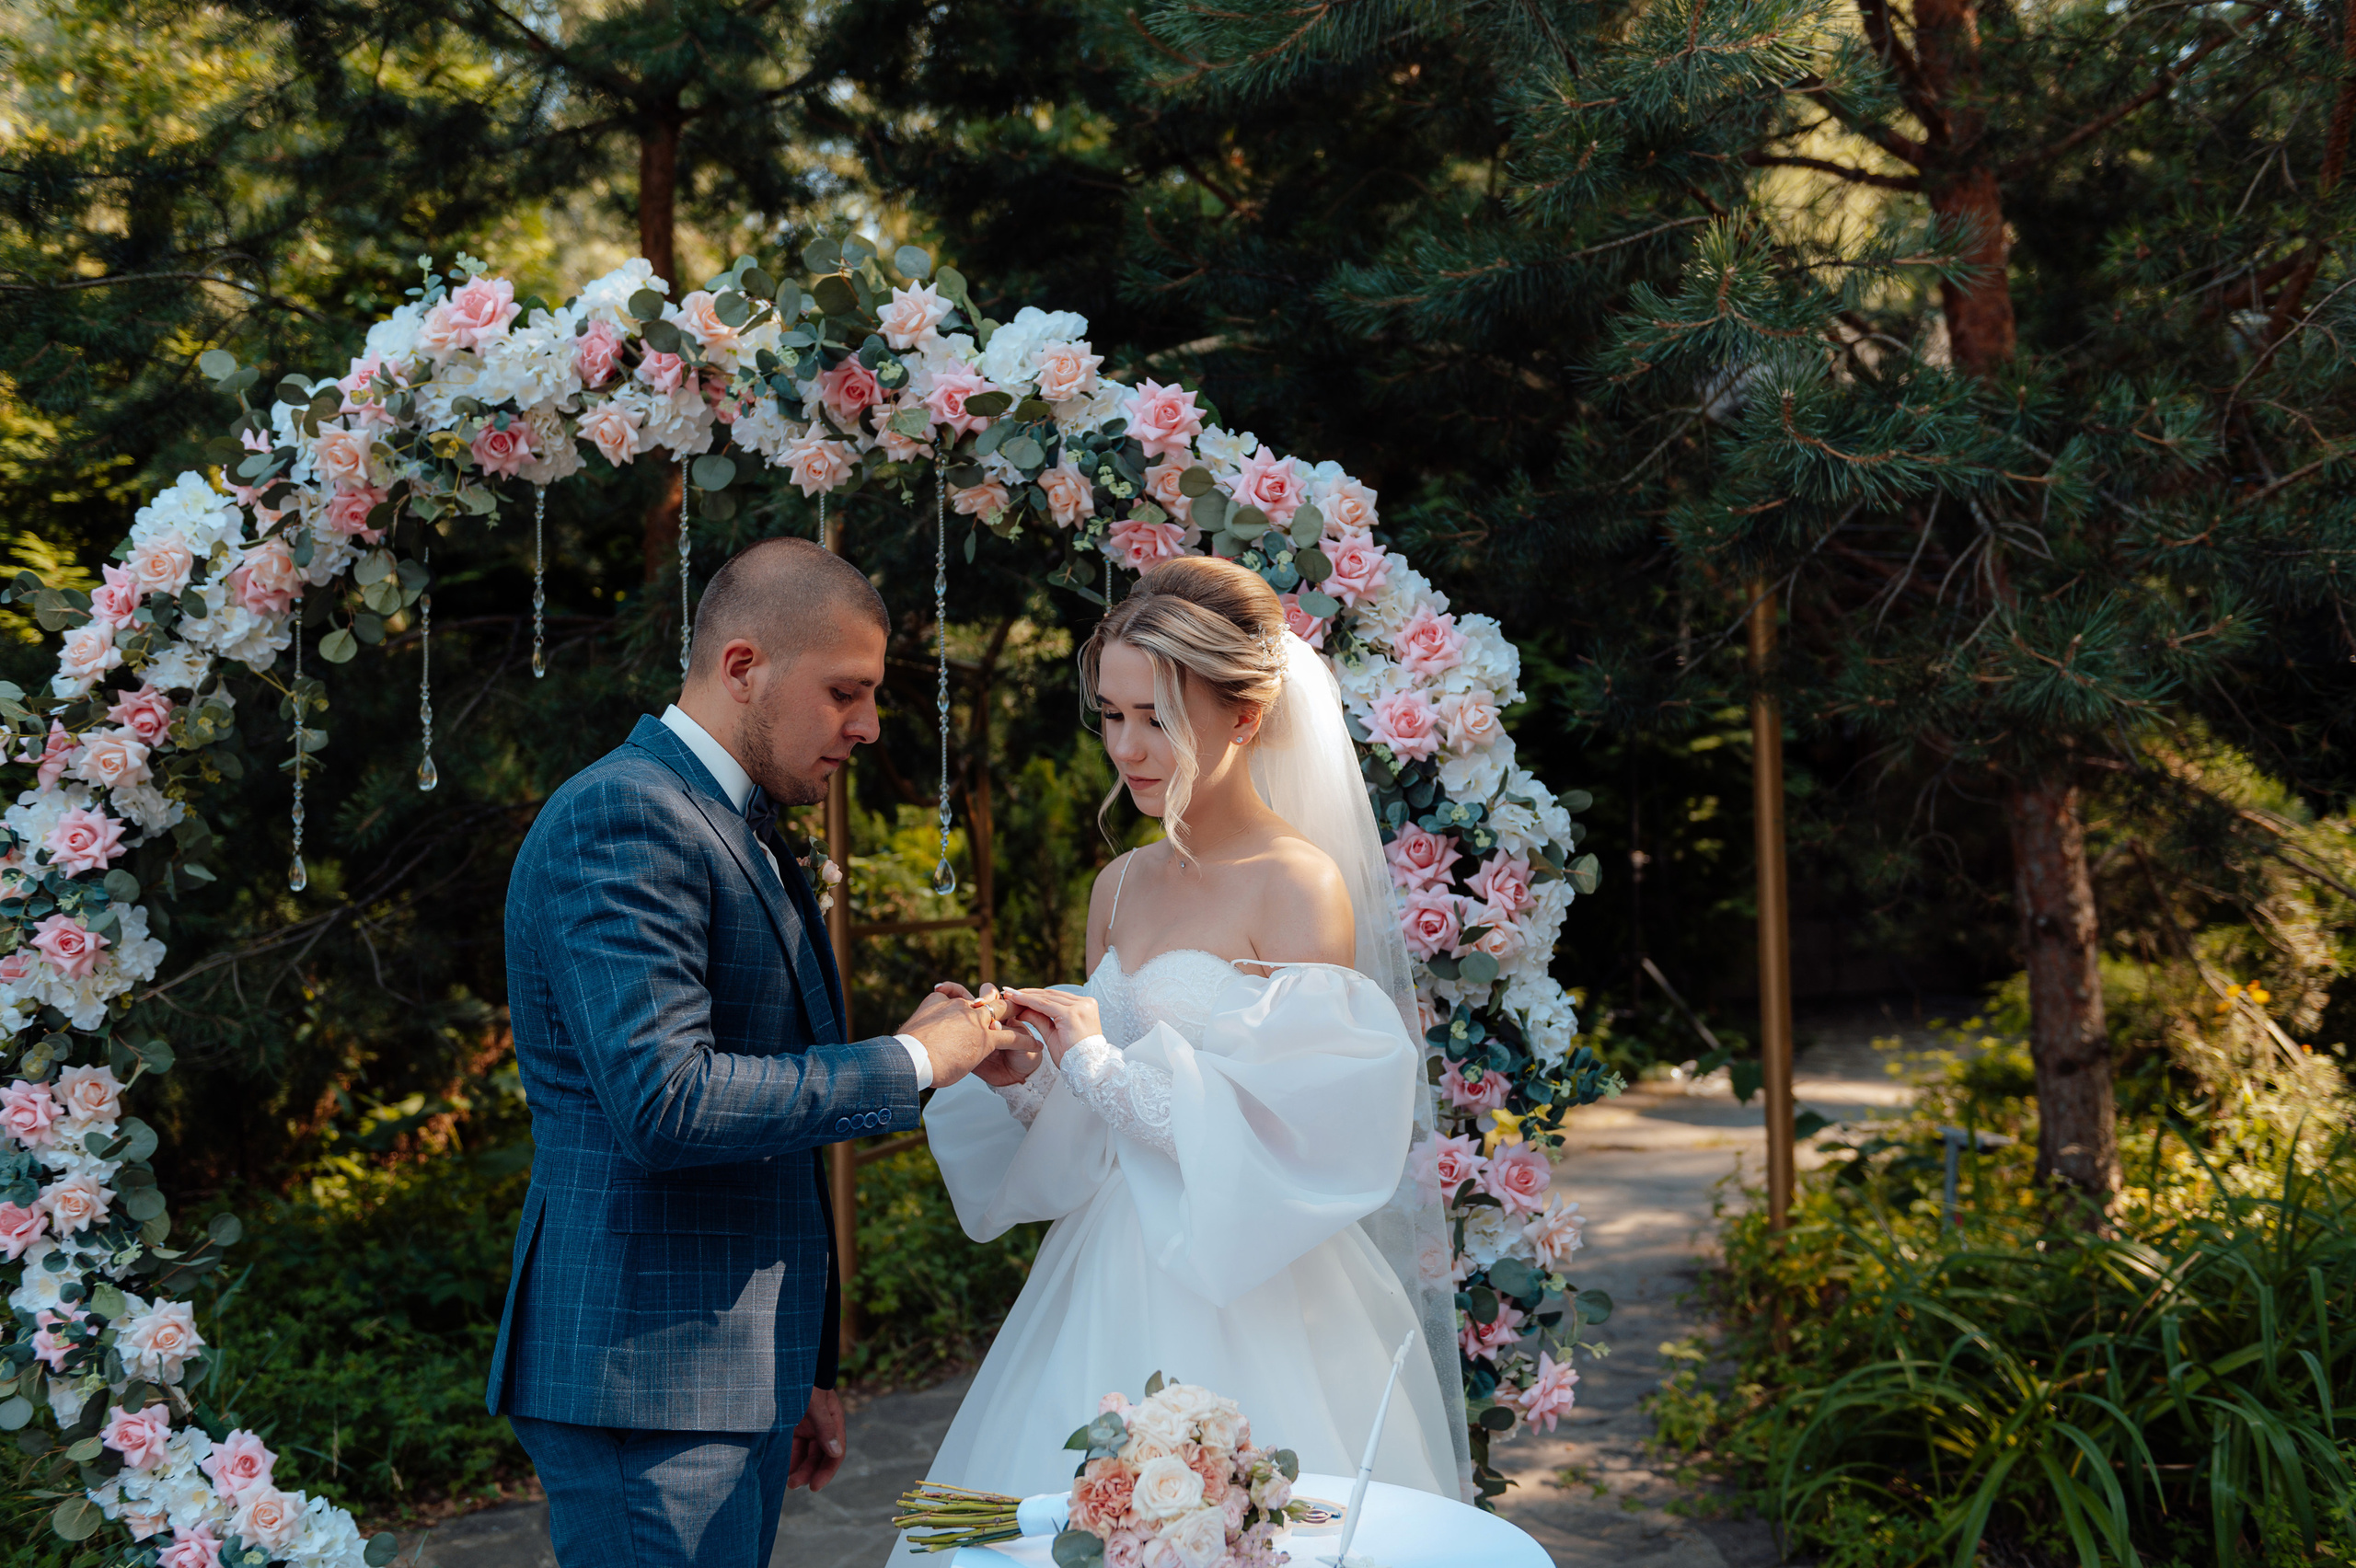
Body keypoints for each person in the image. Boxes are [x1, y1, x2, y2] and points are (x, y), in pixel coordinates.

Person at [904, 558, 1468, 1548]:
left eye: (1156, 717)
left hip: (1246, 1273)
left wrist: (1095, 1061)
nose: (1127, 746)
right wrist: (1033, 1080)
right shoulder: (1117, 886)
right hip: (1105, 1267)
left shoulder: (1297, 887)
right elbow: (1102, 1138)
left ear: (1245, 718)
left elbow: (1288, 1136)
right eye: (1112, 715)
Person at [487, 536, 1015, 1568]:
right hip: (648, 1378)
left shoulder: (736, 819)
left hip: (720, 1371)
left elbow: (770, 1108)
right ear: (743, 668)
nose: (865, 726)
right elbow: (668, 1104)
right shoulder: (626, 814)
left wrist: (794, 1370)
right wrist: (912, 1064)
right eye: (844, 692)